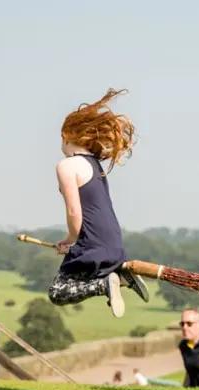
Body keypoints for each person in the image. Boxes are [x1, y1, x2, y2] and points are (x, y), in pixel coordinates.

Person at [46, 89, 148, 319]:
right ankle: (121, 276)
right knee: (73, 282)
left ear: (66, 135)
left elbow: (75, 212)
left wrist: (70, 240)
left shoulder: (67, 165)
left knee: (58, 292)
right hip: (112, 242)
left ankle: (106, 284)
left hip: (91, 244)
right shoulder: (94, 165)